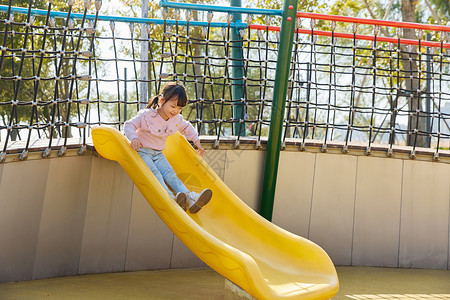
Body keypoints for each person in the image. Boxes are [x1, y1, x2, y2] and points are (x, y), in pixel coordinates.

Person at [124, 82, 212, 214]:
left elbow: (187, 127)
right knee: (156, 174)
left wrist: (196, 141)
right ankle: (171, 198)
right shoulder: (147, 116)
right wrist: (134, 138)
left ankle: (189, 197)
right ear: (161, 101)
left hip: (158, 154)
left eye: (180, 108)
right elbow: (128, 125)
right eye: (173, 106)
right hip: (142, 152)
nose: (176, 111)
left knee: (171, 175)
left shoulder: (176, 119)